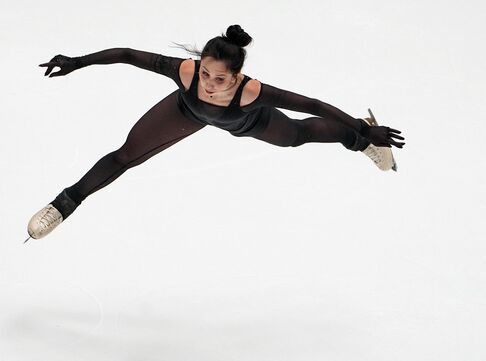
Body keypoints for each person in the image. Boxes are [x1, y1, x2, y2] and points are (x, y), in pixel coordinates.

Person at [25, 24, 405, 242]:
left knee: (297, 136)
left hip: (246, 121)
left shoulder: (252, 92)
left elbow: (314, 105)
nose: (209, 83)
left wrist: (360, 129)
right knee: (127, 155)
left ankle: (359, 138)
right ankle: (62, 206)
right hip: (184, 112)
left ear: (236, 77)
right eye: (205, 73)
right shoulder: (187, 74)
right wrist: (77, 61)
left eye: (220, 78)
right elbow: (127, 53)